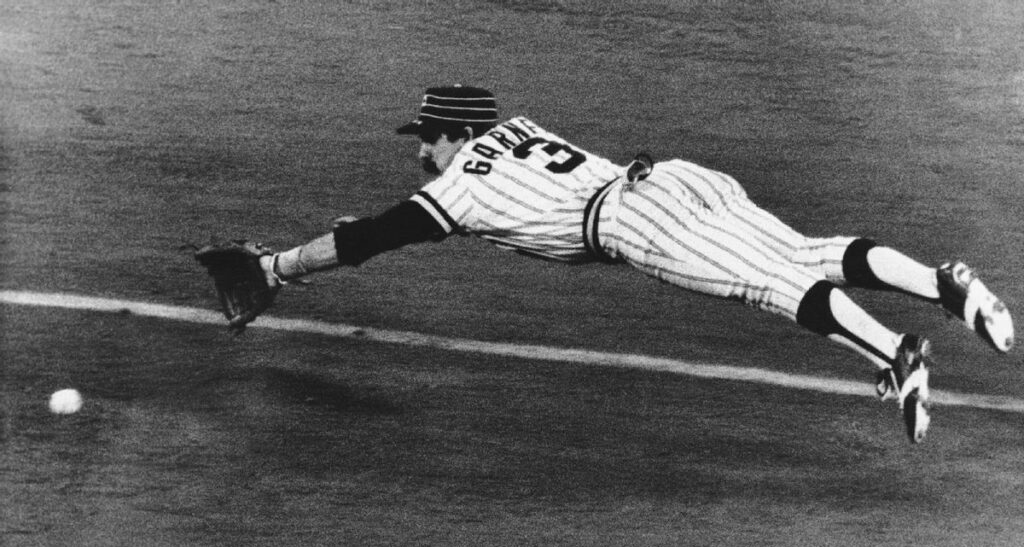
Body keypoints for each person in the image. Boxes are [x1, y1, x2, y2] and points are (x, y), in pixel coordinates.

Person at [251, 85, 1014, 444]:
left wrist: (280, 267)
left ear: (455, 134)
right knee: (806, 253)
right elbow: (389, 226)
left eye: (427, 136)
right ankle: (940, 286)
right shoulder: (517, 130)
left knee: (772, 284)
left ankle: (896, 353)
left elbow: (369, 241)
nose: (420, 150)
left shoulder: (456, 185)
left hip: (630, 219)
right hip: (674, 177)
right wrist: (376, 226)